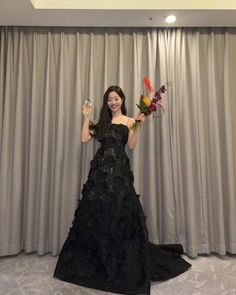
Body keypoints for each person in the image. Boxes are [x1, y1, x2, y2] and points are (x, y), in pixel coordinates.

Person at [54, 86, 191, 295]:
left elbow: (132, 146)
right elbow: (84, 138)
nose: (113, 102)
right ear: (106, 102)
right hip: (99, 177)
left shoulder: (128, 121)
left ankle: (120, 260)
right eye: (109, 99)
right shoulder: (102, 123)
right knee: (97, 216)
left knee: (121, 216)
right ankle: (100, 259)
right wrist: (86, 116)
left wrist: (138, 125)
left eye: (116, 98)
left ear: (122, 100)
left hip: (119, 175)